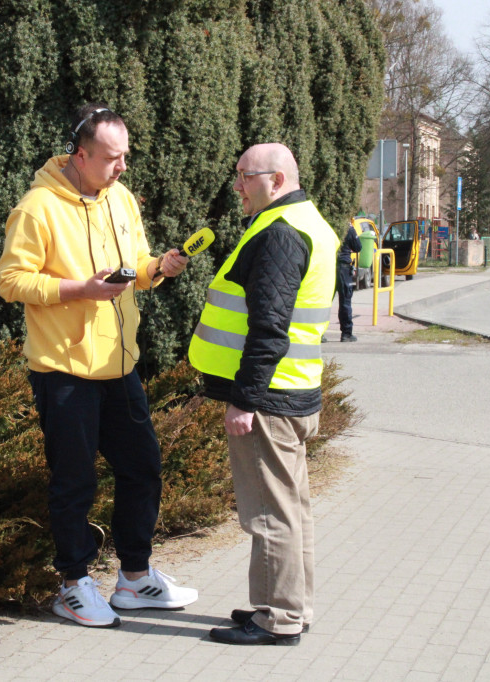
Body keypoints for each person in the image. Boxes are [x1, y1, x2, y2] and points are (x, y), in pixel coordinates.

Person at [0, 103, 198, 629]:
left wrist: (158, 268)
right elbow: (11, 281)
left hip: (118, 365)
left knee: (143, 468)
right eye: (112, 158)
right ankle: (72, 585)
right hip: (62, 370)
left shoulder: (121, 198)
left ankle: (134, 578)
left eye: (125, 156)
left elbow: (136, 268)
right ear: (80, 156)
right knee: (74, 481)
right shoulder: (37, 208)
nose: (122, 167)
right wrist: (80, 290)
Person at [189, 143, 339, 646]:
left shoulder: (279, 233)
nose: (237, 186)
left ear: (275, 180)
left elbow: (269, 328)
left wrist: (245, 399)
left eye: (244, 176)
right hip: (294, 389)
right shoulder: (307, 222)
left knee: (271, 514)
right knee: (292, 510)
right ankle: (291, 606)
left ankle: (278, 618)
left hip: (269, 400)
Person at [336, 222, 361, 342]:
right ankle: (346, 333)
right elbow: (358, 247)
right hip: (344, 267)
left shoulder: (328, 224)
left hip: (329, 265)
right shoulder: (348, 228)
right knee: (345, 301)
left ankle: (320, 333)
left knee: (325, 301)